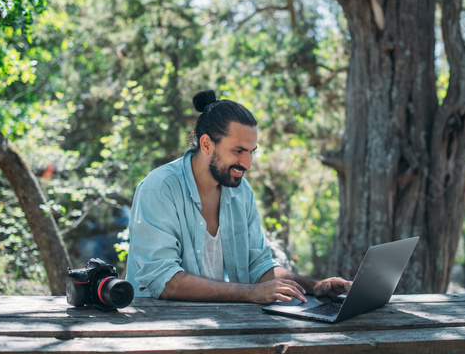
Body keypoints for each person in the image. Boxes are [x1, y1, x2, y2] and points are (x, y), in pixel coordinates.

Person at [124, 90, 350, 303]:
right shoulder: (160, 189)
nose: (247, 163)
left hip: (222, 324)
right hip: (157, 329)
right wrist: (251, 293)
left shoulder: (241, 192)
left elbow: (258, 266)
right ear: (206, 144)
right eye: (238, 151)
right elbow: (164, 281)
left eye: (251, 152)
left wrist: (314, 286)